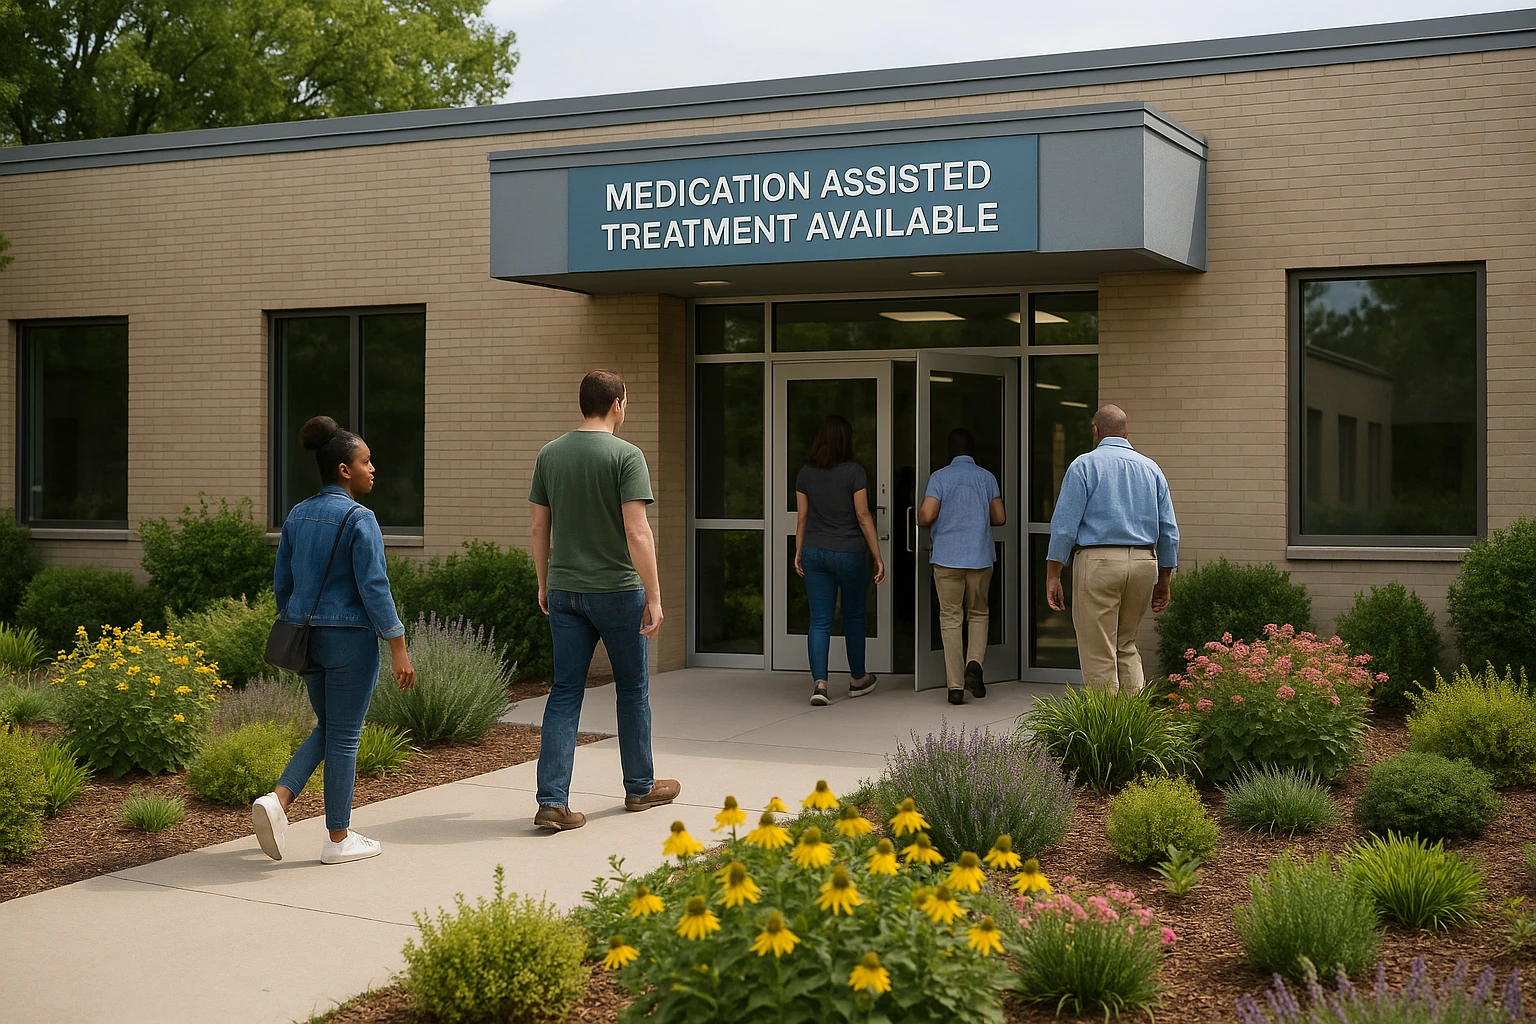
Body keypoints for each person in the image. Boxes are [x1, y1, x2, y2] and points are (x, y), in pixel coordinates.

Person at [252, 415, 416, 865]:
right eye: (366, 462)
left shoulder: (297, 514)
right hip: (350, 642)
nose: (373, 468)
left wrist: (300, 620)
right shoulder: (360, 518)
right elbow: (374, 587)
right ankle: (338, 839)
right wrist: (398, 646)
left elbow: (283, 584)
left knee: (330, 728)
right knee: (345, 736)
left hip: (306, 639)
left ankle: (278, 800)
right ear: (344, 470)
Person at [529, 369, 678, 831]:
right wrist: (654, 596)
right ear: (617, 404)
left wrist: (544, 583)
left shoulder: (550, 454)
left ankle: (552, 801)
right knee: (632, 689)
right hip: (617, 592)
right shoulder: (626, 455)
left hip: (565, 590)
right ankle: (640, 788)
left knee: (565, 691)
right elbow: (637, 531)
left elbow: (538, 526)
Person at [1045, 404, 1179, 694]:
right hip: (1144, 562)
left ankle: (1107, 721)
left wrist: (1054, 573)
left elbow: (1065, 527)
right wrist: (1165, 579)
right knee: (1126, 645)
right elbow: (1169, 530)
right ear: (1126, 433)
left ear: (1096, 431)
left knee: (1099, 651)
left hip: (1099, 562)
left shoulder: (1083, 466)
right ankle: (1134, 717)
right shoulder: (1151, 468)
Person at [795, 414, 886, 707]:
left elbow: (802, 516)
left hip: (814, 551)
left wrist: (798, 551)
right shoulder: (854, 472)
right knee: (854, 616)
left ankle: (820, 685)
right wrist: (878, 556)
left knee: (819, 620)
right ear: (846, 440)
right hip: (849, 552)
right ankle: (858, 679)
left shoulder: (805, 473)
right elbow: (863, 515)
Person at [917, 427, 1004, 705]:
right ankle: (974, 663)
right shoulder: (986, 477)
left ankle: (955, 687)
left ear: (949, 450)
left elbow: (926, 515)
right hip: (979, 558)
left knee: (950, 619)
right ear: (972, 450)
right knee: (978, 613)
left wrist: (922, 516)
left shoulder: (940, 477)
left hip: (946, 559)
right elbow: (1000, 517)